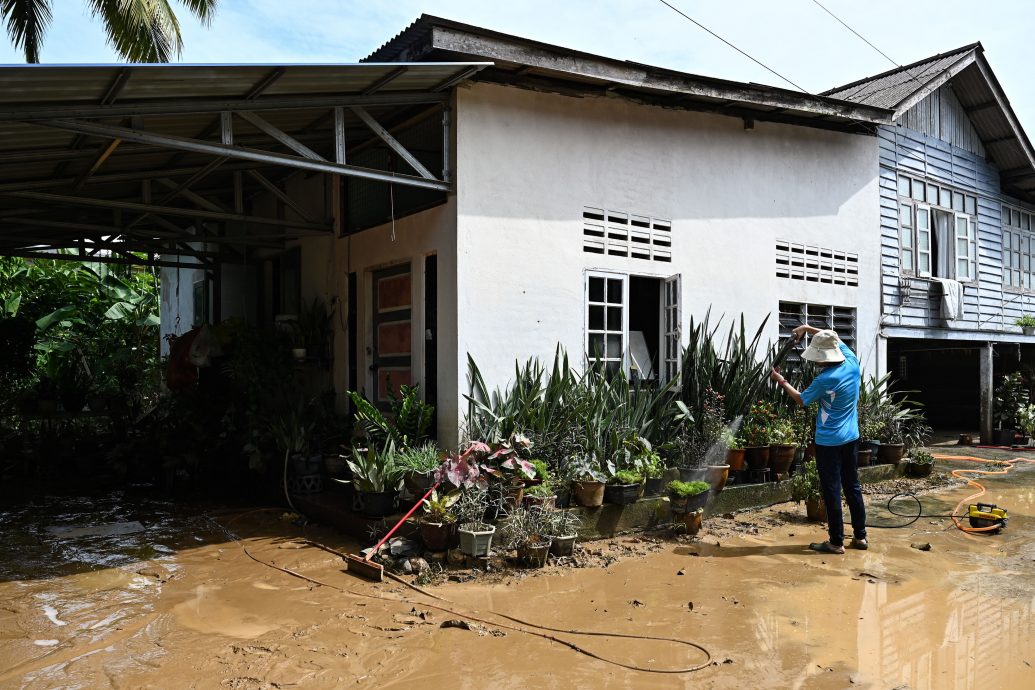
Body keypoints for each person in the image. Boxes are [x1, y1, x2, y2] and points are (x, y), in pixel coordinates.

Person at [770, 325, 867, 554]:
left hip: (829, 442)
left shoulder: (825, 380)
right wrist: (806, 328)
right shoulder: (852, 363)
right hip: (851, 438)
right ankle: (860, 537)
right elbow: (830, 335)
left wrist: (781, 381)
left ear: (822, 358)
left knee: (832, 489)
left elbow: (802, 399)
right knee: (852, 486)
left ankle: (836, 542)